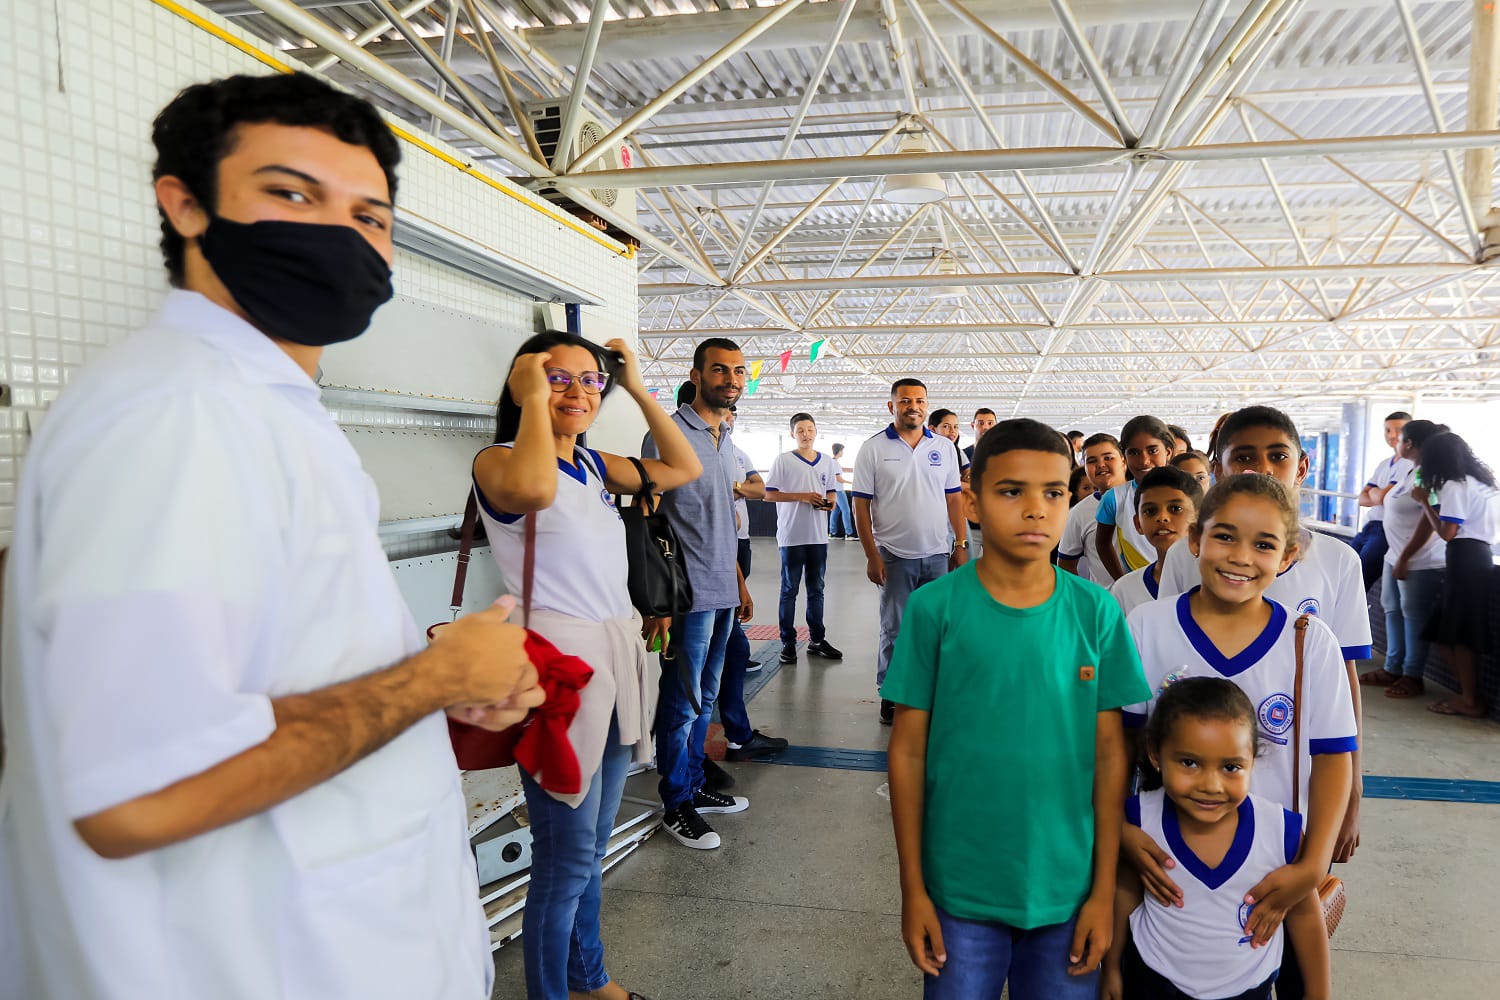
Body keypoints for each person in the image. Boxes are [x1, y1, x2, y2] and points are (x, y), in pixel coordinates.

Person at [0, 73, 543, 1000]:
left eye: (369, 215)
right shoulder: (179, 416)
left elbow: (248, 677)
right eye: (291, 194)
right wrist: (432, 680)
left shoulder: (264, 410)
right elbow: (136, 797)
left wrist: (430, 686)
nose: (340, 233)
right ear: (186, 204)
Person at [884, 419, 1148, 1000]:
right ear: (972, 502)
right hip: (958, 890)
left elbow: (1111, 757)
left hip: (1069, 890)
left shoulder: (1096, 613)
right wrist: (914, 890)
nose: (1036, 510)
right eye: (1012, 491)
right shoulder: (934, 609)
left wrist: (1103, 892)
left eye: (1053, 492)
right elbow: (906, 750)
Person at [474, 333, 700, 1000]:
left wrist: (634, 385)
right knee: (565, 859)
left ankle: (588, 976)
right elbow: (536, 490)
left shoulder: (597, 467)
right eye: (557, 378)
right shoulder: (500, 462)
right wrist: (532, 403)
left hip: (611, 669)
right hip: (556, 681)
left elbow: (683, 467)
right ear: (525, 383)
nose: (577, 391)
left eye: (589, 380)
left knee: (590, 847)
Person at [1123, 475, 1356, 1000]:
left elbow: (1335, 756)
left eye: (1264, 543)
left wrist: (1312, 864)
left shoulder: (1309, 642)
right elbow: (1118, 742)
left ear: (1289, 554)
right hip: (1165, 864)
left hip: (1271, 871)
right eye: (1225, 536)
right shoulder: (1146, 626)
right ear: (1194, 539)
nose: (1241, 556)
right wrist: (1119, 828)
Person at [1157, 405, 1370, 873]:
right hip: (1187, 788)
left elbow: (1345, 684)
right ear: (1218, 468)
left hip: (1286, 793)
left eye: (1278, 456)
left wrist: (1352, 788)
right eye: (1244, 457)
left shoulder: (1337, 562)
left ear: (1303, 465)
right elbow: (1169, 652)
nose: (1263, 469)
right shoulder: (1182, 559)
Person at [1102, 679, 1331, 1000]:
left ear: (1253, 760)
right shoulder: (1140, 820)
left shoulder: (1280, 830)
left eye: (1231, 767)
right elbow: (1125, 892)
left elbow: (1305, 913)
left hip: (1249, 989)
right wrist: (1111, 967)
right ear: (1155, 754)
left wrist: (1319, 992)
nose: (1211, 784)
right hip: (1153, 983)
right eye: (1189, 763)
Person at [642, 338, 784, 849]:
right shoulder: (669, 435)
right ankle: (676, 803)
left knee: (705, 698)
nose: (731, 380)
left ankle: (695, 784)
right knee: (681, 702)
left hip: (723, 588)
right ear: (696, 375)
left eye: (739, 372)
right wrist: (656, 602)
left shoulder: (724, 438)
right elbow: (649, 519)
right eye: (720, 370)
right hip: (687, 594)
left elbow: (724, 521)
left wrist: (740, 583)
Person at [853, 379, 970, 724]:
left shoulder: (945, 448)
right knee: (896, 629)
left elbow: (954, 498)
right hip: (893, 554)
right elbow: (861, 506)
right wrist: (872, 554)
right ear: (892, 407)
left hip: (936, 555)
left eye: (919, 400)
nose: (913, 406)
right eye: (905, 401)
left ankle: (932, 691)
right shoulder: (872, 449)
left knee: (937, 628)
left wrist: (960, 544)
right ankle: (891, 692)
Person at [1412, 431, 1499, 718]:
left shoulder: (1454, 485)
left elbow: (1448, 533)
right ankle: (1468, 696)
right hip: (1481, 557)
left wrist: (1425, 502)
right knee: (1447, 632)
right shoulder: (1483, 484)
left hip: (1464, 559)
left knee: (1459, 635)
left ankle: (1470, 699)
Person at [1360, 419, 1447, 699]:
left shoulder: (1430, 475)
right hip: (1395, 555)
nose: (1395, 440)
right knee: (1392, 610)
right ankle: (1393, 666)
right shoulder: (1412, 471)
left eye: (1401, 438)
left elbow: (1428, 522)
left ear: (1408, 443)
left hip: (1417, 560)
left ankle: (1412, 675)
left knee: (1413, 617)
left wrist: (1406, 557)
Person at [717, 404, 776, 771]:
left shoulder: (734, 452)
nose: (727, 420)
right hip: (710, 564)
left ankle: (737, 735)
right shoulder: (685, 448)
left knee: (732, 648)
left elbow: (758, 489)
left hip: (734, 548)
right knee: (708, 664)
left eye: (731, 415)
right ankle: (691, 761)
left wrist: (735, 487)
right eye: (723, 413)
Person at [764, 412, 844, 665]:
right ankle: (787, 642)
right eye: (800, 430)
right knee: (789, 589)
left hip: (818, 536)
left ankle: (817, 640)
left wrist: (829, 504)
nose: (806, 434)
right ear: (792, 434)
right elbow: (769, 495)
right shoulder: (783, 460)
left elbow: (831, 491)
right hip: (791, 536)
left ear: (816, 431)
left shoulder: (827, 463)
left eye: (809, 429)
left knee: (816, 589)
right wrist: (802, 496)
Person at [1109, 466, 1203, 619]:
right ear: (1138, 523)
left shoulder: (1215, 582)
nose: (1162, 518)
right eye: (1150, 511)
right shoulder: (1124, 589)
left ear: (1200, 519)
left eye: (1176, 508)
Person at [1095, 416, 1176, 581]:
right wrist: (1122, 580)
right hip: (1139, 585)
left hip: (1182, 582)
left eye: (1152, 450)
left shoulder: (1185, 492)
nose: (1144, 461)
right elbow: (1102, 544)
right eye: (1134, 452)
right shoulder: (1115, 499)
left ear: (1167, 452)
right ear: (1124, 456)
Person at [1350, 412, 1414, 591]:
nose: (1392, 435)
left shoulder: (1409, 464)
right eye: (1387, 430)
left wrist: (1376, 493)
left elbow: (1383, 497)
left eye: (1398, 430)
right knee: (1342, 566)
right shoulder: (1384, 464)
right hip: (1369, 526)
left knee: (1360, 580)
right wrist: (1377, 495)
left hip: (1386, 530)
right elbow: (1362, 498)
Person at [1060, 433, 1126, 585]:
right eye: (1092, 461)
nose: (1101, 464)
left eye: (1108, 458)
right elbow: (1066, 565)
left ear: (1123, 461)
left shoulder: (1144, 500)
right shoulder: (1078, 513)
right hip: (1107, 603)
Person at [963, 407, 999, 554]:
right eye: (981, 423)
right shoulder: (964, 455)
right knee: (968, 568)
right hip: (971, 525)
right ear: (973, 425)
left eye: (990, 423)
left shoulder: (1005, 455)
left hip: (997, 524)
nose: (985, 427)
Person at [830, 442, 858, 539]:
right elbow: (838, 479)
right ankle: (849, 533)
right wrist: (851, 483)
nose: (843, 453)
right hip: (839, 491)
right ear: (839, 451)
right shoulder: (836, 464)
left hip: (834, 490)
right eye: (842, 451)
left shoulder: (831, 462)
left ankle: (832, 533)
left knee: (836, 511)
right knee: (846, 510)